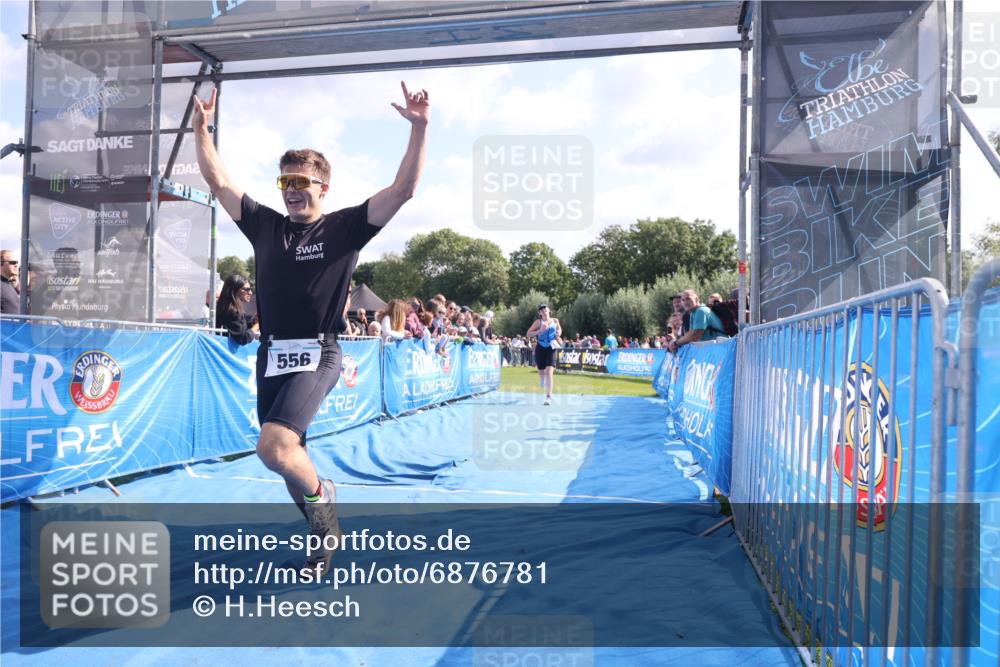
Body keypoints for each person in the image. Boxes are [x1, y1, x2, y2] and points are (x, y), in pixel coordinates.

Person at [192, 80, 429, 576]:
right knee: (285, 457)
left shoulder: (344, 227)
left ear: (323, 187)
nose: (293, 191)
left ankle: (326, 507)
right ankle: (321, 540)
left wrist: (419, 129)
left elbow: (403, 191)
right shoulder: (264, 226)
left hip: (319, 352)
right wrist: (202, 128)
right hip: (271, 352)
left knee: (273, 447)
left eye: (301, 183)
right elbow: (218, 182)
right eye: (285, 183)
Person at [526, 304, 562, 406]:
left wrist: (558, 333)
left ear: (549, 311)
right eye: (542, 310)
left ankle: (548, 397)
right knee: (541, 370)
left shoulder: (555, 321)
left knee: (549, 371)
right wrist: (539, 331)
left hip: (551, 347)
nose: (544, 310)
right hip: (540, 347)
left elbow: (559, 329)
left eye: (545, 309)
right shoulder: (538, 322)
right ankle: (542, 378)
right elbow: (528, 334)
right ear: (539, 313)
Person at [215, 275, 259, 344]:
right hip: (225, 353)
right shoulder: (232, 311)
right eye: (247, 289)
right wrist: (258, 325)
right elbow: (243, 338)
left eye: (250, 289)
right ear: (235, 290)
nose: (250, 293)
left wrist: (253, 322)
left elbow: (239, 329)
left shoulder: (230, 308)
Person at [1, 249, 20, 314]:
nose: (16, 265)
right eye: (13, 262)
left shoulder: (10, 285)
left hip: (16, 324)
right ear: (1, 263)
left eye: (17, 262)